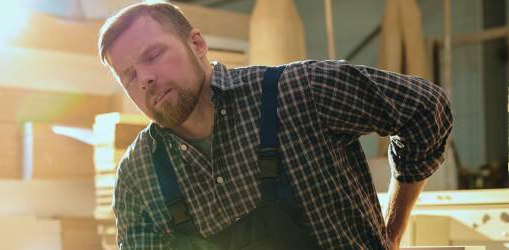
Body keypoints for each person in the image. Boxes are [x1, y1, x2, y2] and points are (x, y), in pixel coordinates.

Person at [97, 2, 453, 250]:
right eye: (129, 75)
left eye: (153, 55)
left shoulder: (300, 91)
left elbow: (426, 108)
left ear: (197, 43)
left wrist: (394, 227)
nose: (144, 78)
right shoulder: (138, 175)